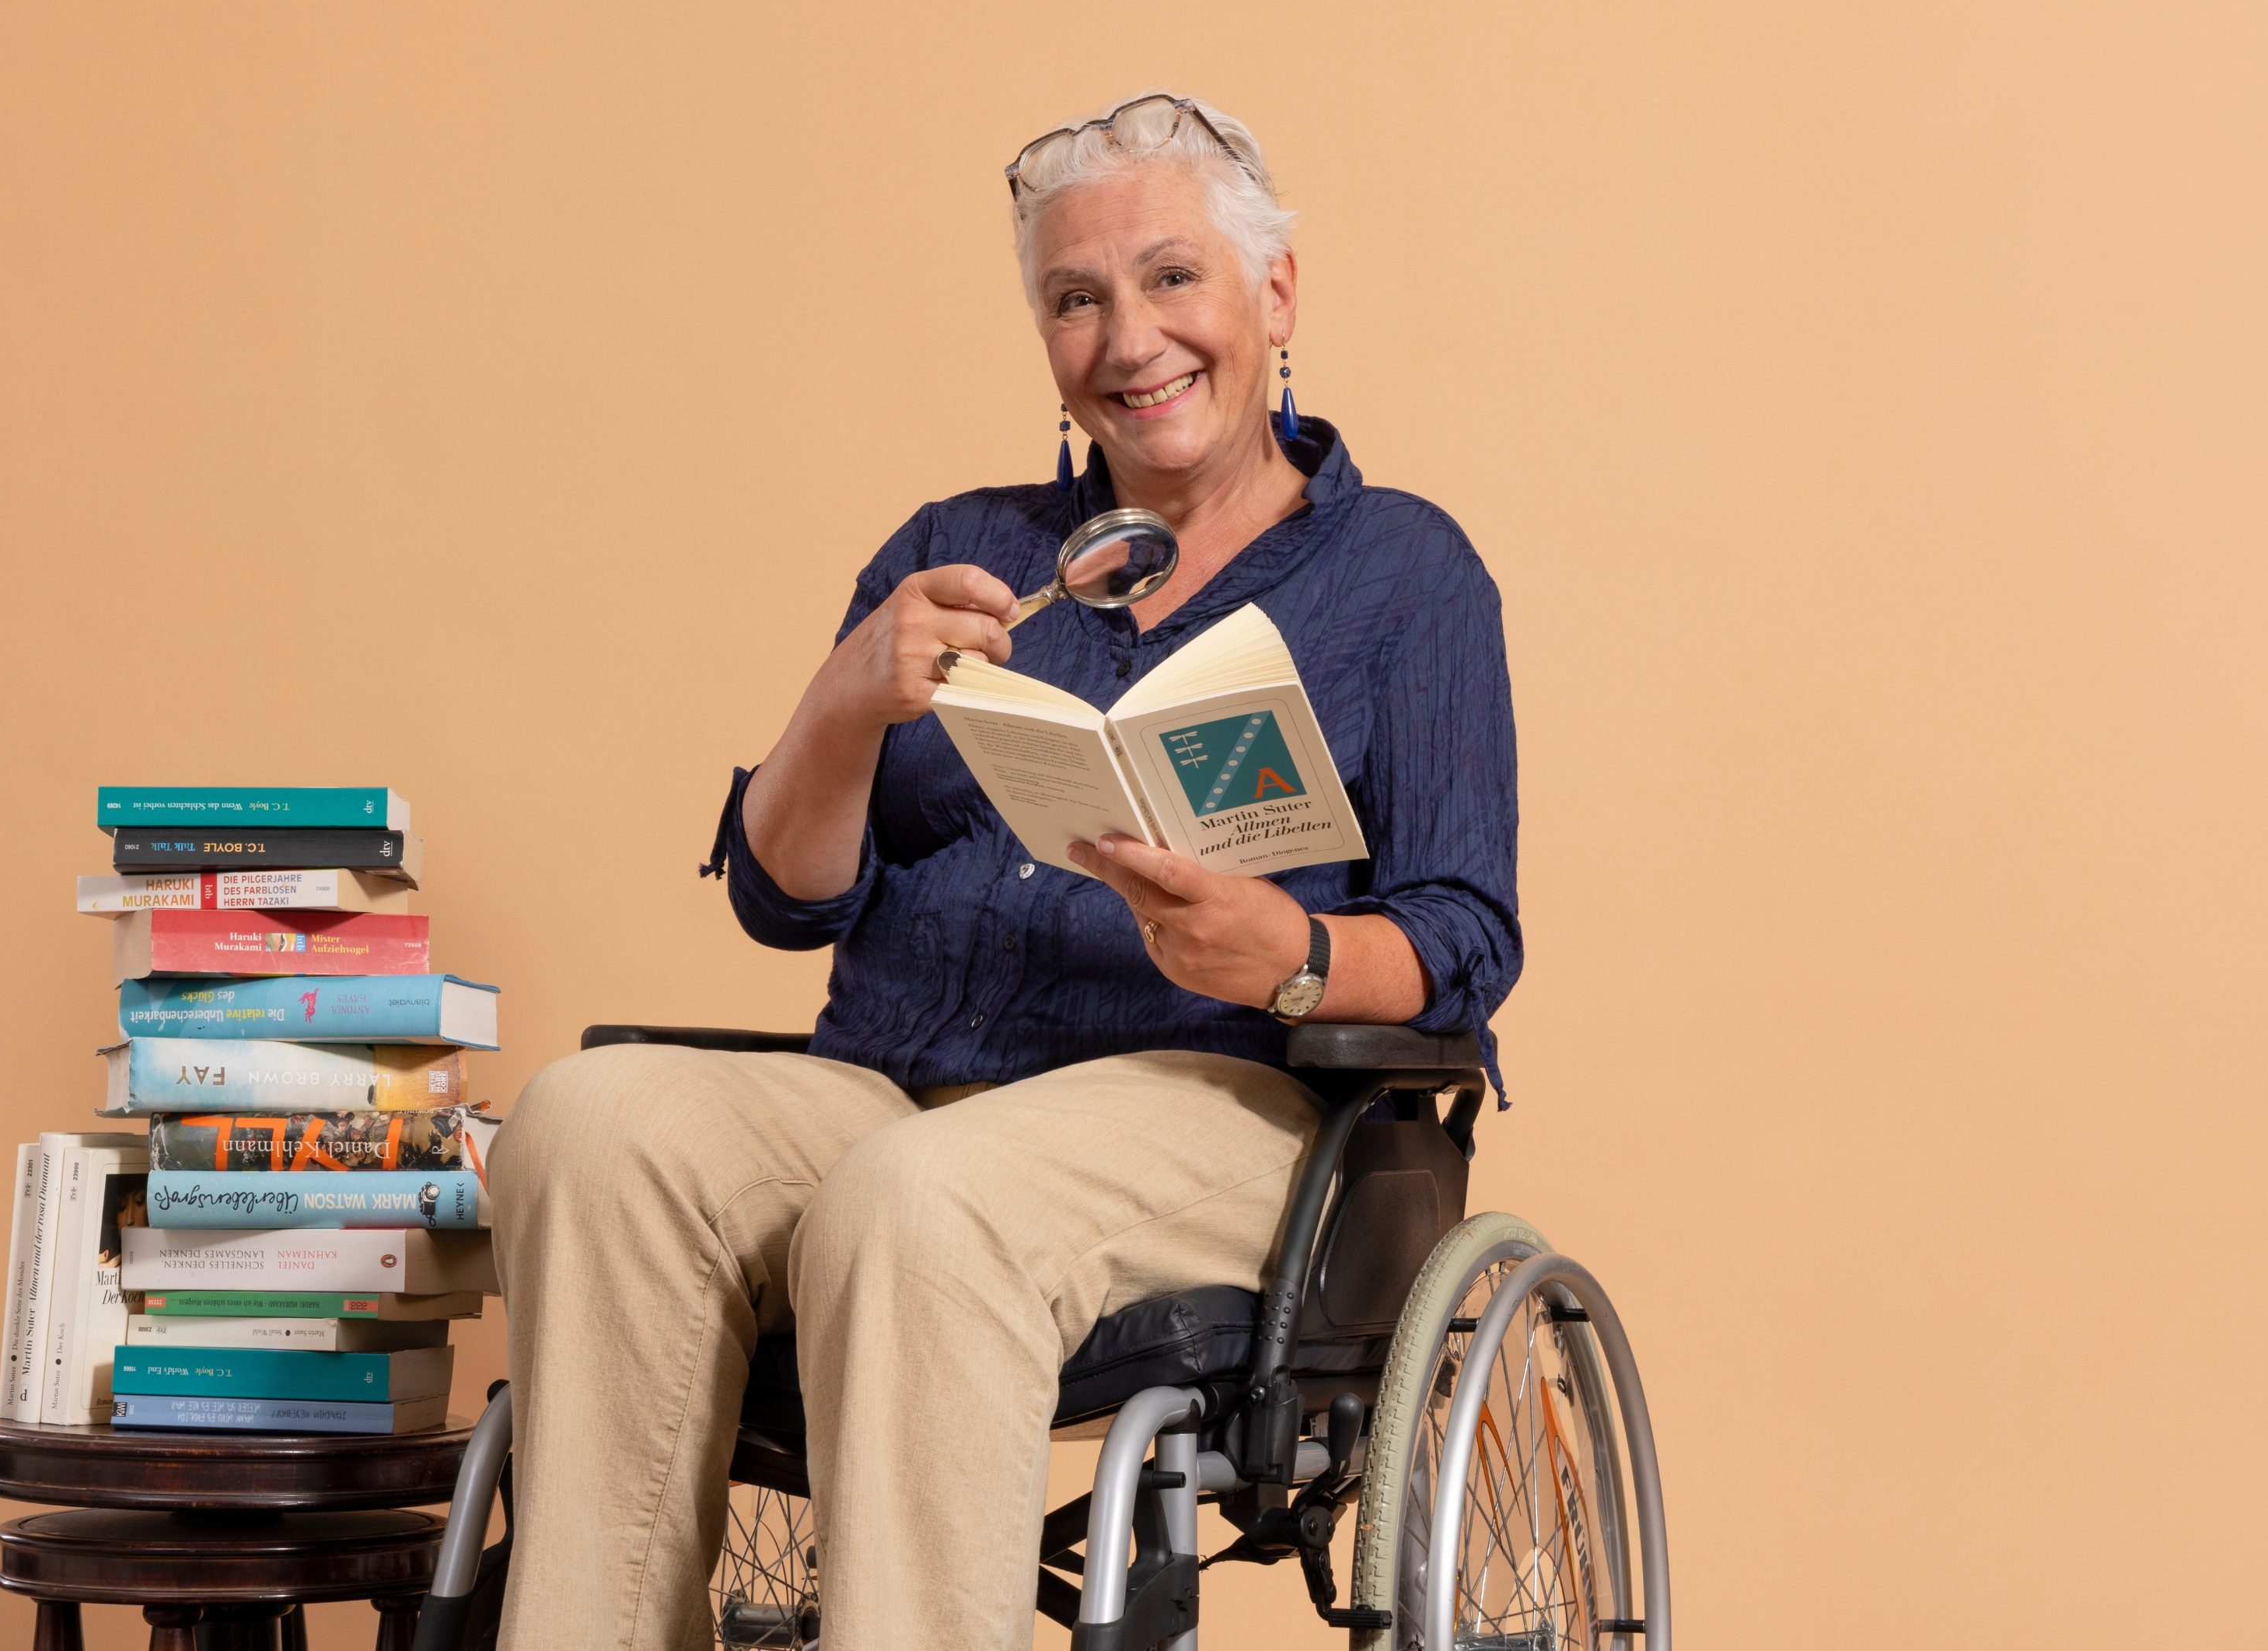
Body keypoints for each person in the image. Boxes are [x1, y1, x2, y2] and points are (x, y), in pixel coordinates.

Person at [485, 93, 1521, 1650]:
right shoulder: (959, 546)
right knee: (588, 1121)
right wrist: (845, 700)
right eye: (1074, 298)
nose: (1128, 339)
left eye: (1171, 278)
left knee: (920, 1201)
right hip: (894, 1086)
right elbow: (785, 900)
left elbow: (1463, 934)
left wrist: (1290, 953)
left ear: (1275, 294)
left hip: (1222, 1105)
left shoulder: (1404, 573)